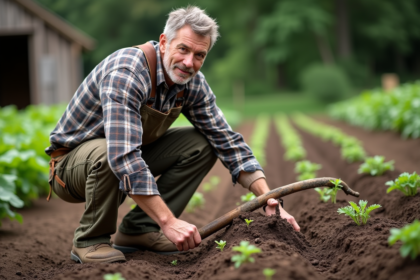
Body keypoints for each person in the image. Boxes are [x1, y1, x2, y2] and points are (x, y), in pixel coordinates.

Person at [46, 6, 300, 264]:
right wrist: (168, 221)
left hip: (122, 160)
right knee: (107, 150)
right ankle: (90, 240)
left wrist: (268, 198)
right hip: (72, 169)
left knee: (202, 143)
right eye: (183, 49)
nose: (189, 63)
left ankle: (139, 230)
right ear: (165, 42)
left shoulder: (192, 82)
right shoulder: (128, 72)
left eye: (199, 55)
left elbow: (226, 140)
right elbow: (122, 155)